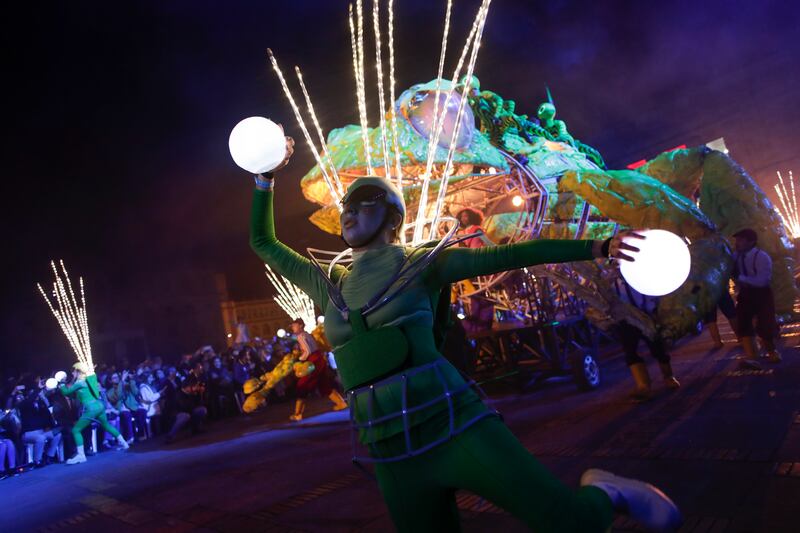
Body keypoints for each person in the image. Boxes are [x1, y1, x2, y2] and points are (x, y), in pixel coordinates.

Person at [246, 135, 681, 532]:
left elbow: (513, 254)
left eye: (366, 201)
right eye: (347, 205)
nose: (350, 211)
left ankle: (604, 491)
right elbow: (263, 241)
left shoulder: (422, 262)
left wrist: (596, 247)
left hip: (452, 422)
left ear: (392, 215)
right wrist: (265, 176)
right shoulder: (330, 283)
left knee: (570, 523)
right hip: (387, 446)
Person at [612, 274, 680, 402]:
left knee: (657, 347)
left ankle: (668, 376)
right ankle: (643, 386)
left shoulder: (640, 274)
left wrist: (656, 311)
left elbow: (654, 294)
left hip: (646, 314)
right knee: (630, 351)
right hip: (625, 319)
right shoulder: (611, 280)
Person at [58, 362, 128, 464]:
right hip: (99, 406)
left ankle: (81, 456)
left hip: (91, 408)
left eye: (74, 370)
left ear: (78, 371)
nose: (72, 373)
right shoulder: (86, 381)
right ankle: (124, 443)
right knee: (106, 425)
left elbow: (66, 393)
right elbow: (75, 396)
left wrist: (61, 384)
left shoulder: (79, 382)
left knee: (76, 430)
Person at [732, 228, 781, 369]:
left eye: (741, 240)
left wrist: (740, 277)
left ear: (751, 242)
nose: (737, 243)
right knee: (744, 323)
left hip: (762, 294)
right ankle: (753, 358)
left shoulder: (761, 257)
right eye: (737, 240)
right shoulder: (736, 256)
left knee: (765, 324)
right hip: (745, 294)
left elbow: (762, 281)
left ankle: (772, 352)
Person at [287, 318, 348, 421]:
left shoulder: (300, 336)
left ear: (300, 325)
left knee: (302, 385)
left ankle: (298, 414)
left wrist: (300, 359)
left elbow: (307, 351)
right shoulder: (307, 334)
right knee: (324, 384)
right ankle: (341, 403)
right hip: (319, 360)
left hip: (312, 362)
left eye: (294, 325)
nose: (292, 328)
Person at [17, 378, 63, 467]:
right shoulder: (24, 404)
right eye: (34, 393)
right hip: (28, 433)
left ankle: (49, 456)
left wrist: (43, 399)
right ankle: (37, 461)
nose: (37, 395)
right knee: (40, 438)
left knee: (57, 434)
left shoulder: (39, 403)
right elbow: (30, 400)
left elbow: (48, 414)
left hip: (41, 431)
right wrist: (38, 389)